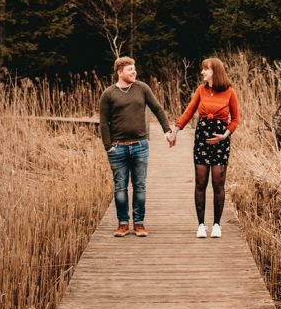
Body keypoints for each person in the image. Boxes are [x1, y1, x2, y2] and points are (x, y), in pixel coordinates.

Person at [99, 55, 175, 237]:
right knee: (120, 187)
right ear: (119, 72)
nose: (134, 71)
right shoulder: (108, 94)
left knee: (139, 186)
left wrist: (167, 130)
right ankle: (123, 224)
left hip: (140, 146)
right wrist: (108, 147)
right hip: (118, 148)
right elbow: (103, 123)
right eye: (129, 69)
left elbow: (157, 108)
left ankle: (139, 224)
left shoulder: (142, 88)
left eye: (134, 68)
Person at [173, 56, 240, 238]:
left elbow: (235, 119)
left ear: (215, 72)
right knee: (200, 183)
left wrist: (225, 135)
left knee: (218, 184)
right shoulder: (201, 90)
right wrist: (177, 129)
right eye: (203, 69)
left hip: (221, 140)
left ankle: (217, 225)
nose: (202, 72)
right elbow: (189, 111)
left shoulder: (229, 92)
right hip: (202, 139)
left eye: (206, 69)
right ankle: (201, 225)